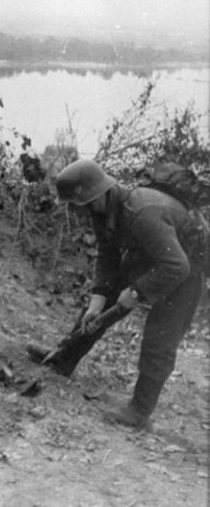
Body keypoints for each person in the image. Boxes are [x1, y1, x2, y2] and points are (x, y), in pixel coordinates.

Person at [27, 160, 205, 430]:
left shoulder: (142, 211)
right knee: (102, 303)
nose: (76, 212)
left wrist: (136, 291)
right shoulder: (103, 211)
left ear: (94, 195)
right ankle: (63, 359)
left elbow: (177, 267)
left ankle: (139, 411)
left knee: (160, 336)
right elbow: (107, 257)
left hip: (189, 270)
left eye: (77, 205)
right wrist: (98, 297)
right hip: (158, 257)